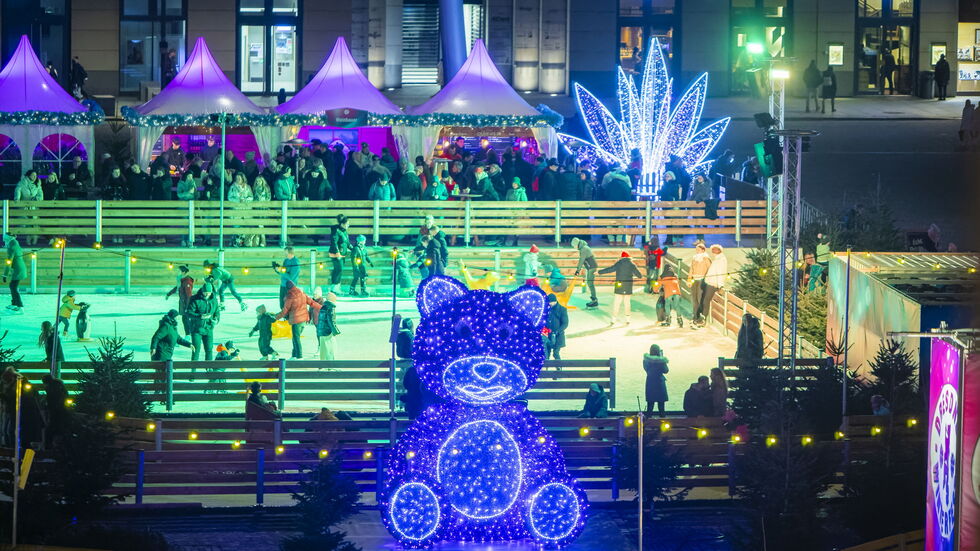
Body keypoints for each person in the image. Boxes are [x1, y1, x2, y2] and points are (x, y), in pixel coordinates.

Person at [276, 280, 321, 359]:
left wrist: (275, 317)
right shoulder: (302, 294)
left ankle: (299, 356)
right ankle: (294, 355)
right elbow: (312, 303)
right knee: (295, 338)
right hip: (304, 320)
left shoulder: (290, 297)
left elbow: (285, 311)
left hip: (296, 321)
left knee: (296, 339)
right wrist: (322, 308)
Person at [599, 251, 643, 325]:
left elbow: (610, 269)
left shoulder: (619, 263)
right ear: (629, 257)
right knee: (627, 303)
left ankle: (613, 319)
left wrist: (599, 272)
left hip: (619, 286)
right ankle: (628, 319)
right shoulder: (632, 264)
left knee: (617, 303)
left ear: (621, 257)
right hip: (628, 286)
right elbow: (639, 276)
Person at [185, 283, 221, 365]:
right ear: (202, 291)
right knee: (195, 350)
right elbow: (188, 313)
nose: (206, 294)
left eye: (208, 293)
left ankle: (209, 369)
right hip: (197, 329)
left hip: (209, 329)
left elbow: (217, 312)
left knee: (209, 350)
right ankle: (193, 372)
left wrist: (216, 319)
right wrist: (200, 316)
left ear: (211, 292)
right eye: (205, 292)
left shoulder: (214, 300)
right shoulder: (195, 299)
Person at [699, 244, 728, 325]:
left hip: (714, 283)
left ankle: (703, 319)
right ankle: (702, 317)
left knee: (706, 300)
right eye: (712, 249)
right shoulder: (717, 259)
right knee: (704, 300)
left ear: (719, 250)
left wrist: (720, 285)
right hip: (710, 282)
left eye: (715, 249)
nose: (713, 251)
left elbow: (721, 272)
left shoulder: (721, 260)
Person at [14, 171, 43, 246]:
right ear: (28, 176)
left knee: (34, 223)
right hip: (24, 206)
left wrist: (37, 198)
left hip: (34, 206)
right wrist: (17, 198)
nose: (34, 177)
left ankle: (35, 237)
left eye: (35, 175)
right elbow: (18, 190)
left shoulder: (38, 183)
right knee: (26, 223)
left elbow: (40, 193)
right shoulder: (22, 183)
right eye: (33, 175)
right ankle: (28, 238)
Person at [165, 265, 195, 334]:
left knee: (186, 319)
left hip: (186, 304)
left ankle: (189, 335)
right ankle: (188, 334)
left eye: (179, 271)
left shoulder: (187, 281)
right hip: (183, 303)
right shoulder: (182, 280)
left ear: (183, 272)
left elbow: (189, 296)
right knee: (185, 319)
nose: (177, 272)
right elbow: (177, 288)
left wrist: (188, 307)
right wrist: (168, 294)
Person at [570, 237, 598, 308]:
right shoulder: (582, 248)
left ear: (577, 244)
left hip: (592, 267)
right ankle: (594, 299)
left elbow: (581, 260)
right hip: (590, 267)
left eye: (574, 246)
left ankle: (594, 300)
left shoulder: (584, 249)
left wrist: (578, 270)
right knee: (589, 283)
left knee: (590, 283)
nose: (574, 248)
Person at [643, 344, 669, 417]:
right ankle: (662, 420)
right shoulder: (661, 361)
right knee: (661, 404)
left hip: (650, 382)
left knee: (650, 404)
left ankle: (647, 422)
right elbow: (666, 370)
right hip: (659, 382)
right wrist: (661, 359)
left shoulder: (646, 360)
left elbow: (647, 370)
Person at [2, 234, 26, 314]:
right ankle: (15, 304)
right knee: (12, 286)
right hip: (18, 268)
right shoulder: (14, 243)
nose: (4, 240)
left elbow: (9, 261)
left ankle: (20, 306)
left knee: (13, 287)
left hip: (18, 269)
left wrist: (5, 274)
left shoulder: (12, 247)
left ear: (8, 238)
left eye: (5, 238)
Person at [328, 215, 351, 295]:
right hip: (336, 254)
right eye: (347, 224)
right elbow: (334, 242)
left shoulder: (344, 231)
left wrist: (354, 248)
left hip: (342, 254)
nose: (348, 225)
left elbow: (347, 243)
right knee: (339, 269)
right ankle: (335, 287)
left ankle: (336, 286)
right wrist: (337, 253)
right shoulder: (336, 231)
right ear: (342, 224)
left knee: (338, 270)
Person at [315, 292, 340, 361]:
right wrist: (336, 331)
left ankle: (322, 366)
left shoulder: (323, 306)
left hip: (321, 331)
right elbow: (331, 321)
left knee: (323, 350)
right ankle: (331, 367)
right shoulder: (331, 307)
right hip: (328, 331)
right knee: (330, 350)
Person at [543, 293, 568, 361]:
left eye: (551, 302)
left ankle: (559, 368)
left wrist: (557, 331)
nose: (550, 304)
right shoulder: (546, 309)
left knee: (556, 353)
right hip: (547, 336)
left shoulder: (562, 309)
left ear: (555, 301)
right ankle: (546, 370)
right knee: (546, 354)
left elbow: (565, 323)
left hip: (558, 336)